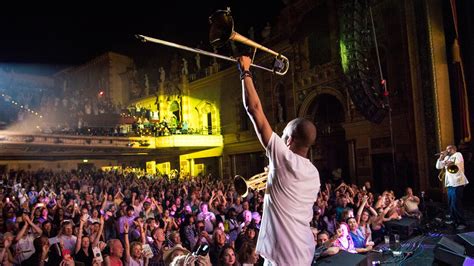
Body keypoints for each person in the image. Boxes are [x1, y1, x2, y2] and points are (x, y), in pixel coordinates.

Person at [237, 56, 320, 265]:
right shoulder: (314, 173)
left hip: (284, 258)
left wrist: (245, 72)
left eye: (283, 135)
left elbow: (254, 110)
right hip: (303, 252)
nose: (280, 139)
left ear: (289, 140)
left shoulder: (283, 157)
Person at [436, 144, 469, 230]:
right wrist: (441, 158)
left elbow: (455, 164)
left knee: (456, 204)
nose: (447, 150)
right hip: (450, 184)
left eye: (449, 149)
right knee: (451, 204)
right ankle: (454, 220)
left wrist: (445, 158)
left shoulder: (458, 154)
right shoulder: (447, 157)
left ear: (454, 149)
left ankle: (462, 223)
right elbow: (438, 166)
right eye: (446, 149)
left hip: (457, 183)